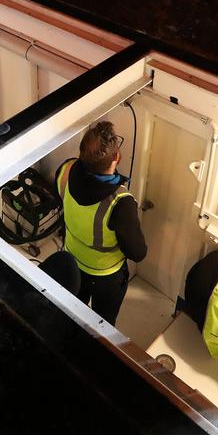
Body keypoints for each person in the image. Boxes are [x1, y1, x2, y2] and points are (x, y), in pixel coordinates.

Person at [55, 121, 147, 325]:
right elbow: (138, 252)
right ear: (116, 158)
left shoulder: (66, 169)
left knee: (72, 314)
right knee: (102, 325)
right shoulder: (121, 202)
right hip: (105, 276)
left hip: (72, 262)